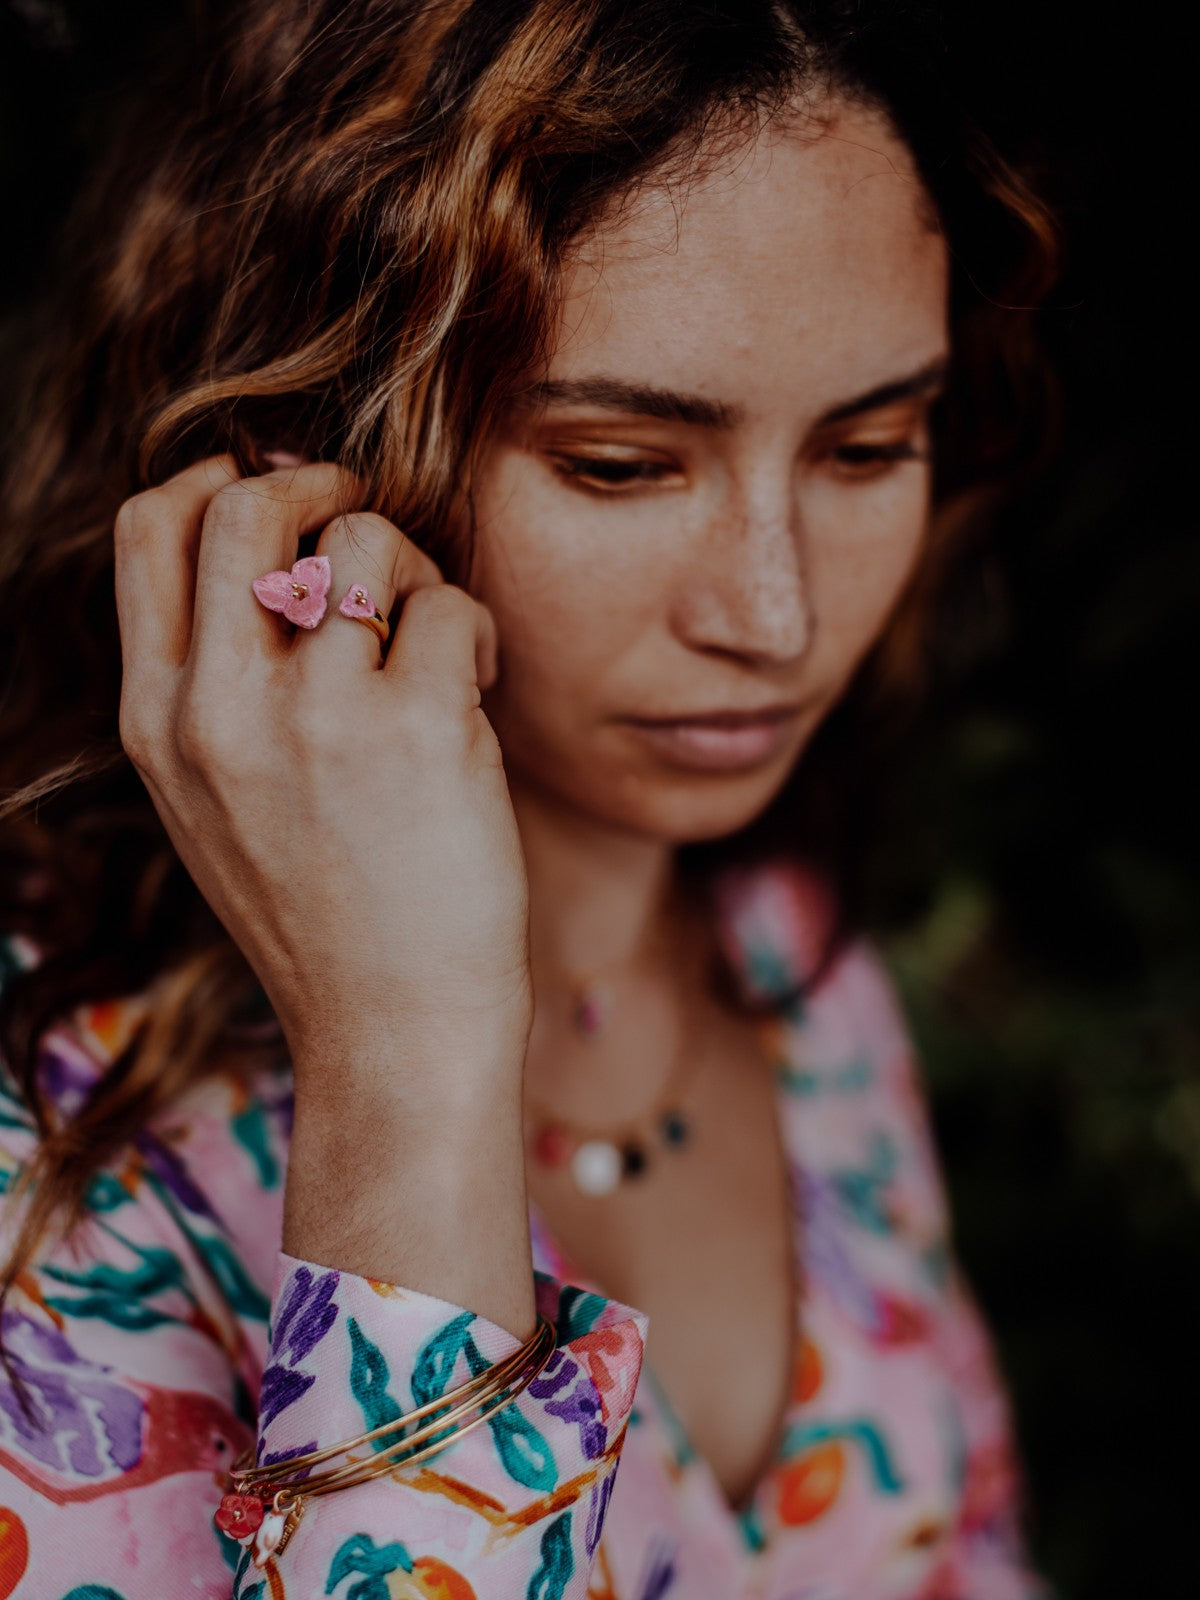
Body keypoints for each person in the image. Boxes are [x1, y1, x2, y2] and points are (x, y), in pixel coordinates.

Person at [0, 3, 1060, 1596]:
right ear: (317, 444)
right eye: (622, 463)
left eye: (869, 447)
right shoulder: (46, 1141)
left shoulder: (786, 960)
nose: (775, 616)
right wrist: (402, 1073)